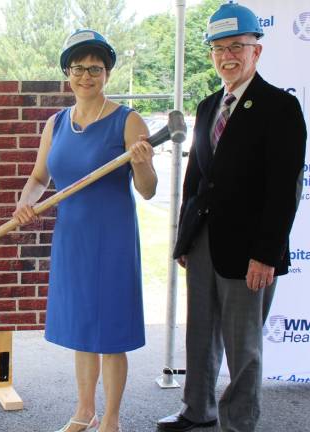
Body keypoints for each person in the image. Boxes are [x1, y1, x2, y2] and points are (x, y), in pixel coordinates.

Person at [157, 3, 306, 432]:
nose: (228, 56)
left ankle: (238, 423)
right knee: (200, 335)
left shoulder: (280, 108)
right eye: (219, 48)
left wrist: (266, 255)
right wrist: (186, 240)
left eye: (237, 46)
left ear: (256, 51)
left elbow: (284, 192)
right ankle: (196, 410)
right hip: (204, 242)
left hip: (250, 251)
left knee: (243, 348)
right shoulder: (208, 107)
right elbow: (196, 178)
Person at [13, 30, 157, 432]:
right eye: (78, 68)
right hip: (72, 238)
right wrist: (26, 201)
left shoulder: (128, 120)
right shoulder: (56, 123)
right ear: (67, 73)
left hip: (111, 239)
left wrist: (142, 163)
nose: (86, 76)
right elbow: (40, 177)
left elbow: (148, 191)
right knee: (81, 328)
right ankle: (83, 411)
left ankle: (111, 419)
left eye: (95, 68)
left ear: (107, 73)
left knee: (109, 332)